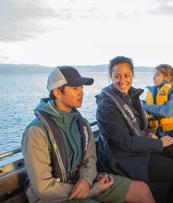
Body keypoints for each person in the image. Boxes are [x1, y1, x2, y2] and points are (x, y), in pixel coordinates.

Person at [21, 66, 155, 203]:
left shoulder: (82, 124)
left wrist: (86, 180)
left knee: (141, 190)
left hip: (82, 181)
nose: (81, 93)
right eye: (75, 88)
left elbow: (89, 160)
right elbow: (43, 188)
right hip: (53, 196)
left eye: (81, 88)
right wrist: (92, 189)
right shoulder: (37, 131)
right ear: (57, 92)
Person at [96, 56, 173, 203]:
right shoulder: (107, 105)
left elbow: (142, 126)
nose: (122, 80)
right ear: (110, 77)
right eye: (117, 76)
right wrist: (160, 143)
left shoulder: (131, 95)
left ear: (132, 75)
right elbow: (125, 143)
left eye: (126, 75)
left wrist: (151, 134)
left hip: (141, 144)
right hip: (124, 158)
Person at [143, 64, 173, 143]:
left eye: (157, 75)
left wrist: (145, 107)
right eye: (154, 75)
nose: (153, 77)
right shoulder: (152, 92)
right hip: (157, 130)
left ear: (167, 77)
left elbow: (166, 112)